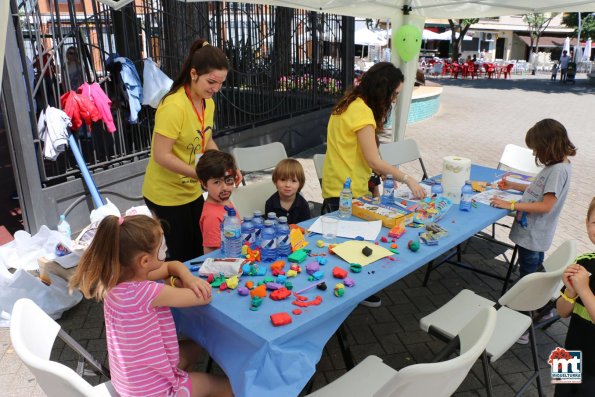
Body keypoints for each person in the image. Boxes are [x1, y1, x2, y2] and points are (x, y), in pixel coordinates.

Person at [69, 214, 232, 397]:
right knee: (227, 387)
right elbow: (203, 297)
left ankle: (182, 381)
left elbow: (172, 266)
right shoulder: (148, 292)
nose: (166, 250)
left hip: (131, 385)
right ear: (144, 261)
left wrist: (188, 278)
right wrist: (188, 283)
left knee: (195, 346)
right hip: (157, 392)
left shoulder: (113, 282)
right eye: (162, 248)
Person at [321, 62, 426, 308]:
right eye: (395, 94)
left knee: (349, 243)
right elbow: (373, 160)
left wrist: (375, 185)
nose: (395, 100)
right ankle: (349, 293)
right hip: (347, 191)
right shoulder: (362, 112)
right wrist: (407, 178)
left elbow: (362, 157)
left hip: (339, 185)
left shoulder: (347, 103)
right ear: (383, 90)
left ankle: (351, 289)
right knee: (354, 243)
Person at [142, 38, 239, 262]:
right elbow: (160, 155)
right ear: (194, 74)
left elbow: (206, 141)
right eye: (211, 82)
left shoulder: (208, 103)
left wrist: (228, 168)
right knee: (184, 257)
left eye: (221, 83)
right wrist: (201, 175)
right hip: (165, 195)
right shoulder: (174, 106)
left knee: (202, 249)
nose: (216, 89)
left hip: (191, 190)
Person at [490, 119, 576, 308]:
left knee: (528, 278)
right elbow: (539, 189)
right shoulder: (560, 164)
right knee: (536, 272)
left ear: (548, 146)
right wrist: (514, 185)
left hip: (533, 234)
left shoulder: (557, 171)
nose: (536, 153)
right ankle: (543, 307)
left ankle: (525, 315)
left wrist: (511, 205)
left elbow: (546, 205)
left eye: (537, 149)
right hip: (536, 233)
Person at [555, 197, 595, 396]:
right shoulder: (583, 263)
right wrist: (570, 292)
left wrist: (584, 290)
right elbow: (562, 312)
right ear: (587, 224)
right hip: (570, 354)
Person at [196, 149, 240, 253]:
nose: (224, 187)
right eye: (217, 182)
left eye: (228, 180)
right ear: (204, 184)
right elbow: (212, 254)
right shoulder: (211, 216)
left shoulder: (224, 201)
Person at [265, 158, 311, 225]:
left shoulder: (303, 204)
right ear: (275, 181)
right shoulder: (270, 203)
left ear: (300, 184)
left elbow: (306, 227)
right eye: (283, 180)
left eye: (293, 181)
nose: (288, 185)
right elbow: (269, 227)